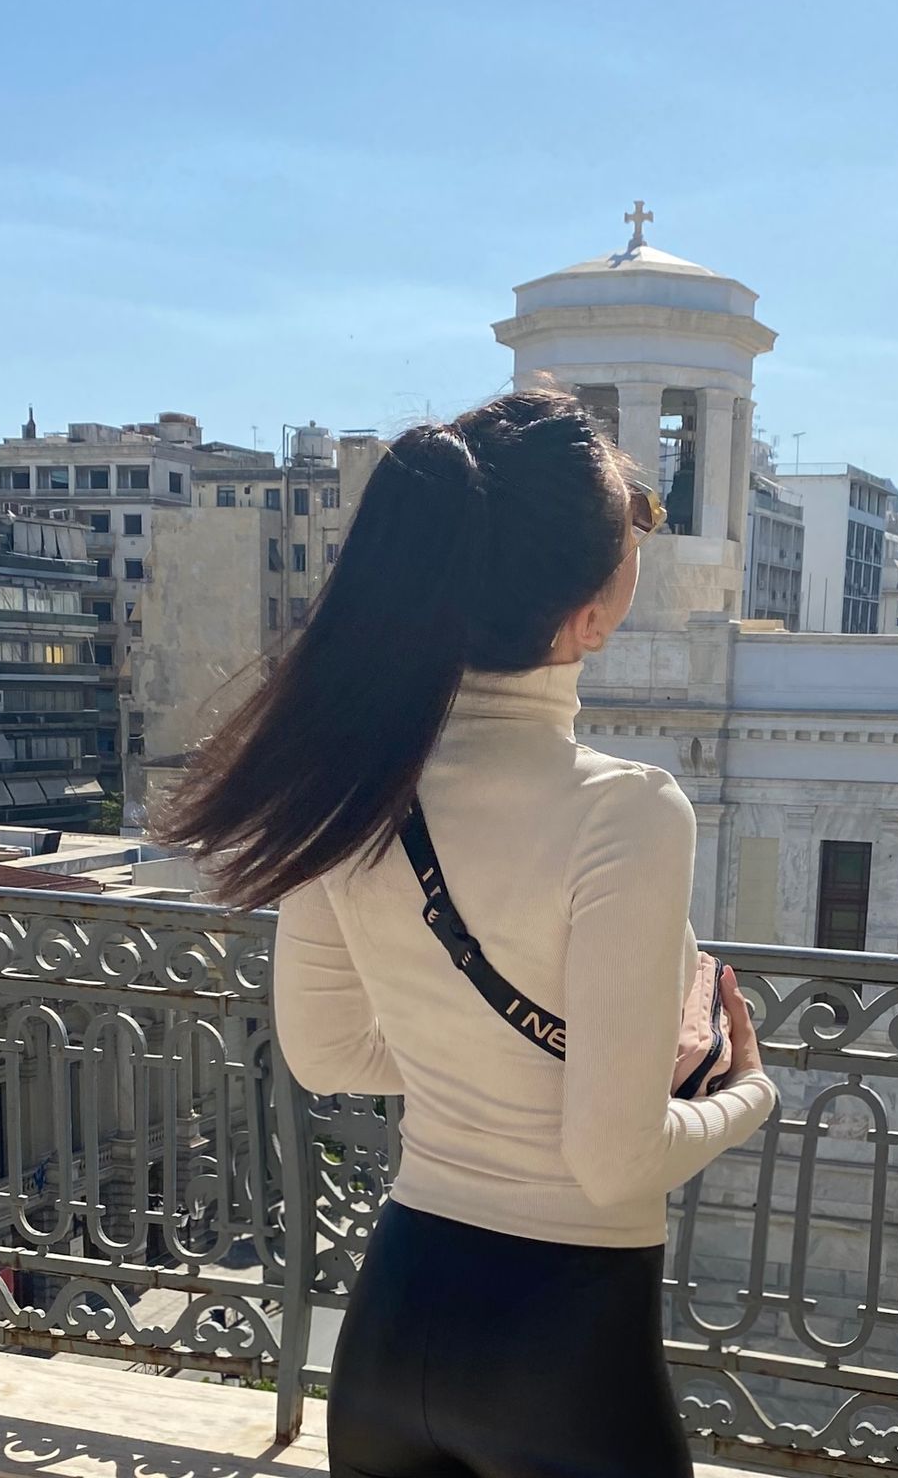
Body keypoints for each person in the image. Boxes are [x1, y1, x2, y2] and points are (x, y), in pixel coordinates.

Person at [164, 386, 779, 1478]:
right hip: (563, 1351)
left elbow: (325, 1051)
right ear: (588, 618)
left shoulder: (351, 773)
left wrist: (480, 1056)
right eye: (635, 534)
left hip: (395, 1323)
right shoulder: (627, 810)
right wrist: (748, 1092)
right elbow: (614, 1162)